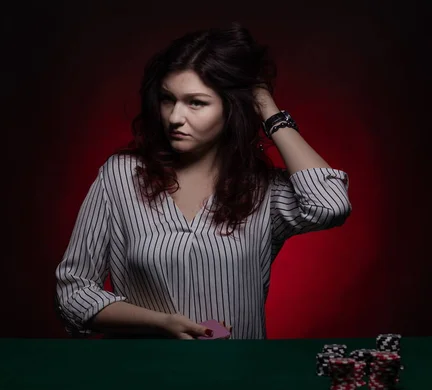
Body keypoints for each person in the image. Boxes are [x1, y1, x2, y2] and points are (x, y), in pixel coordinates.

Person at [54, 23, 352, 340]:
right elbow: (74, 293)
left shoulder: (263, 190)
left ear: (232, 108)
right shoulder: (121, 176)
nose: (174, 117)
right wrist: (159, 322)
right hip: (145, 378)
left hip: (240, 380)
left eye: (196, 102)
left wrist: (266, 106)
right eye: (168, 99)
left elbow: (329, 205)